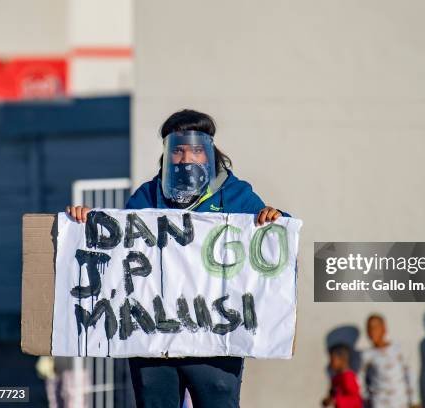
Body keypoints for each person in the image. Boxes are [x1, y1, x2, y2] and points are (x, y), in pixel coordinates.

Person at [66, 109, 289, 408]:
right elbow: (117, 250)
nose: (187, 159)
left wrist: (275, 218)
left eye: (196, 150)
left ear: (209, 153)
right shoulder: (146, 197)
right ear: (167, 154)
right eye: (179, 151)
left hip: (214, 341)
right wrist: (87, 223)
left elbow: (275, 241)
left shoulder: (236, 195)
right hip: (152, 339)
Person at [361, 314, 420, 408]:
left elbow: (410, 376)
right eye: (368, 328)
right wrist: (366, 401)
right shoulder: (367, 355)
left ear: (384, 329)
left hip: (400, 403)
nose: (371, 331)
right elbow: (361, 381)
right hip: (378, 403)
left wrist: (415, 401)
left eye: (375, 327)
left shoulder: (399, 350)